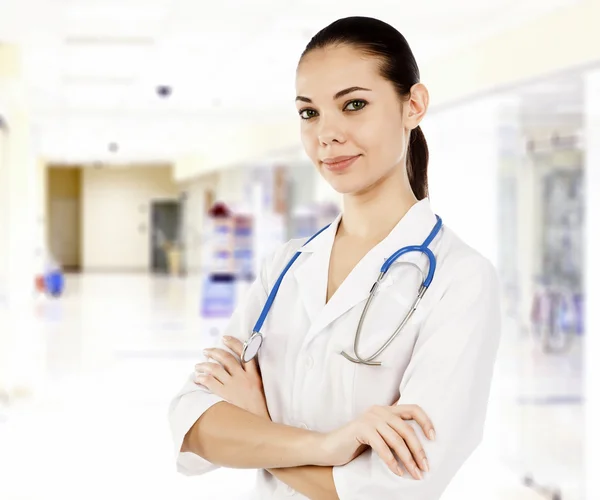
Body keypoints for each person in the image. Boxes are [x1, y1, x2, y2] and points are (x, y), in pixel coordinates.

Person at [168, 16, 502, 500]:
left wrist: (260, 429)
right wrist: (328, 447)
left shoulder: (461, 279)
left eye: (354, 105)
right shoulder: (287, 265)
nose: (327, 134)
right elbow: (191, 421)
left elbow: (396, 486)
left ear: (414, 105)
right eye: (310, 113)